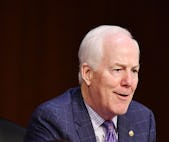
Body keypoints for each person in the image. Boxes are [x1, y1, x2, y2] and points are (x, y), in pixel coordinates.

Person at [24, 25, 156, 142]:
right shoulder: (53, 120)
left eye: (134, 70)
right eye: (117, 70)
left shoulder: (143, 119)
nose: (128, 82)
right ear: (88, 73)